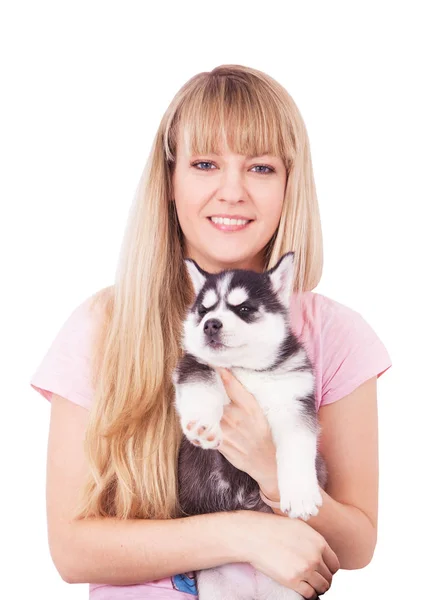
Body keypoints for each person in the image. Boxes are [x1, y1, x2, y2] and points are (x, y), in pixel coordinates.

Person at [29, 64, 392, 600]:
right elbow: (71, 549)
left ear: (290, 185)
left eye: (261, 168)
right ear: (171, 183)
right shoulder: (104, 326)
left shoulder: (335, 333)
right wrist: (244, 534)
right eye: (205, 164)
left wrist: (274, 472)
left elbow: (357, 545)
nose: (232, 191)